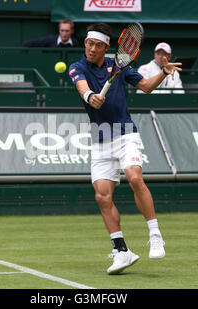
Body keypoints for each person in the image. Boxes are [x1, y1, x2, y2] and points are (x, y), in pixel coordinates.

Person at [69, 23, 182, 275]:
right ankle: (121, 251)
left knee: (134, 177)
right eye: (89, 43)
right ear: (85, 43)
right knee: (102, 196)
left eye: (98, 45)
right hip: (99, 140)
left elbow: (146, 86)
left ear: (106, 47)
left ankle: (155, 234)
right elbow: (82, 87)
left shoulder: (120, 65)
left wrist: (163, 72)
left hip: (124, 134)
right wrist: (90, 97)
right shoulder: (77, 67)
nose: (92, 48)